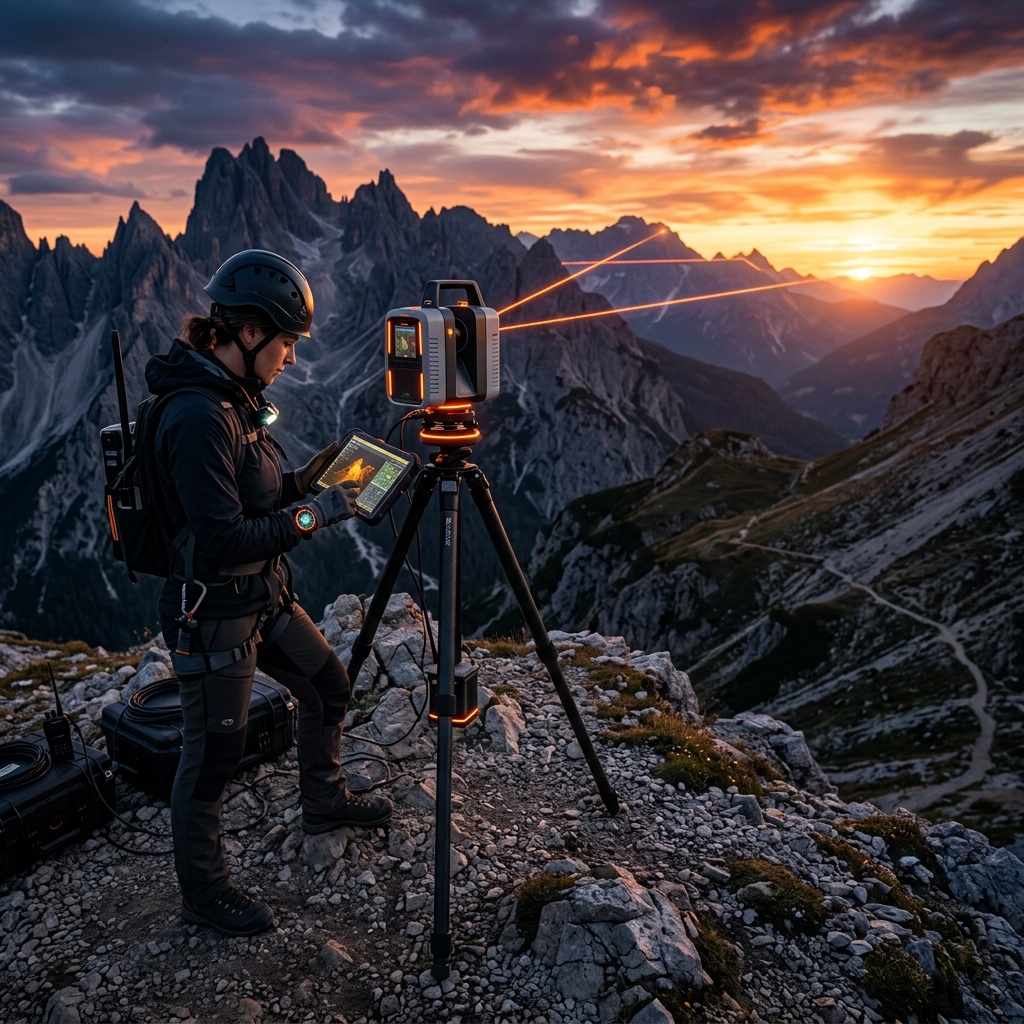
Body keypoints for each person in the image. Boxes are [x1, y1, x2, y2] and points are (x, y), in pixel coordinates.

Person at [144, 249, 392, 937]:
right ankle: (205, 892)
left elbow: (251, 502)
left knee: (328, 687)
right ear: (248, 333)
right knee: (213, 756)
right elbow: (220, 537)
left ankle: (324, 800)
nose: (290, 360)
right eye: (285, 344)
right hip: (214, 613)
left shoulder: (231, 399)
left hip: (264, 600)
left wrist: (302, 484)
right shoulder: (197, 416)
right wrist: (320, 513)